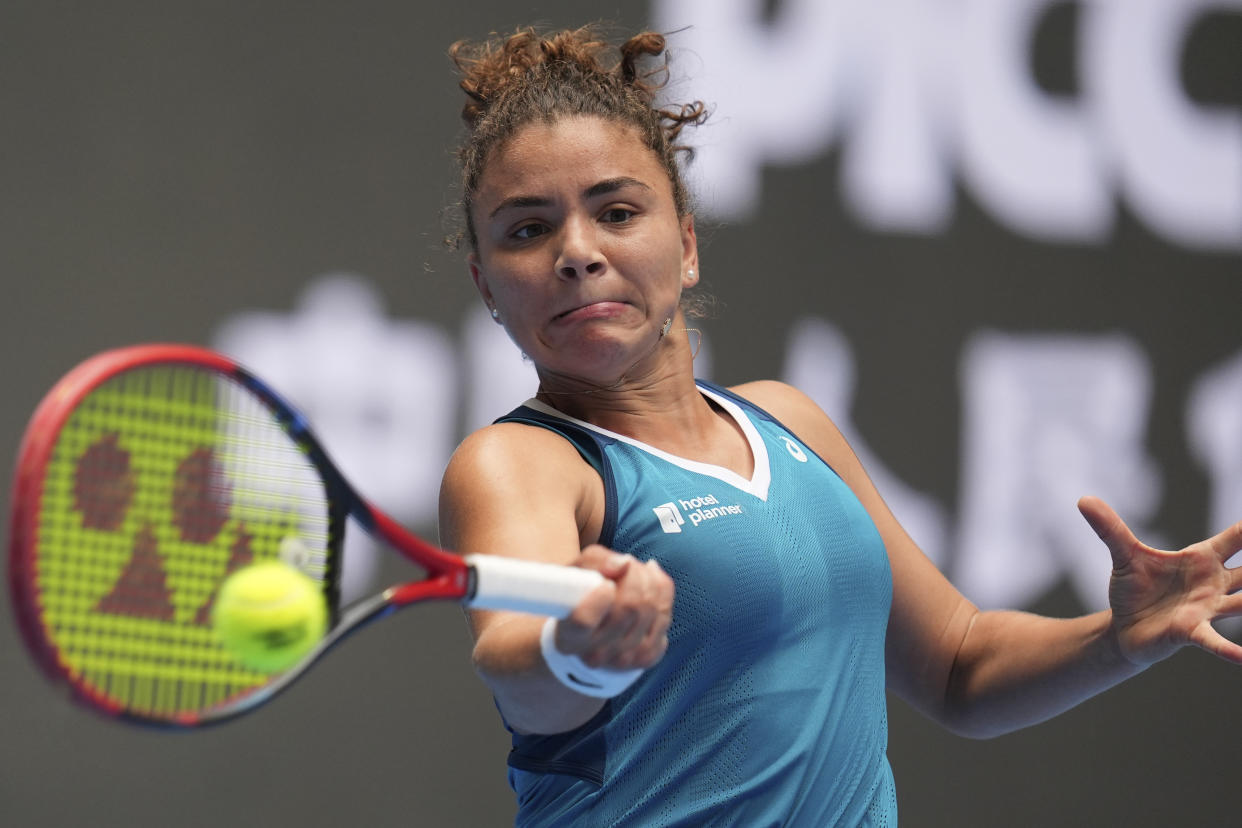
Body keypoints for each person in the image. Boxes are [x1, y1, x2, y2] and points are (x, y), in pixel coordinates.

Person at [436, 25, 1242, 827]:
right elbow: (518, 662)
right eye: (528, 230)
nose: (576, 252)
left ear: (685, 243)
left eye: (615, 211)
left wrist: (1121, 639)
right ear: (486, 284)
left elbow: (961, 664)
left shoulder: (791, 421)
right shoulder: (518, 463)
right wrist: (575, 647)